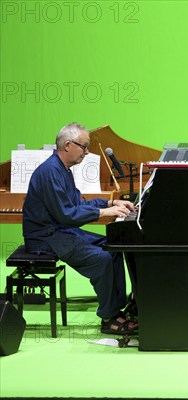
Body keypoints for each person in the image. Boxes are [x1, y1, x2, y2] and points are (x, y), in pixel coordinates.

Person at [22, 123, 138, 335]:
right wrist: (104, 213)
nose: (87, 152)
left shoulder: (63, 169)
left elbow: (77, 203)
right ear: (67, 145)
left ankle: (118, 308)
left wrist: (109, 204)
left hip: (59, 231)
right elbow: (66, 215)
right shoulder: (50, 172)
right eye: (84, 147)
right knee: (101, 259)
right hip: (45, 237)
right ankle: (109, 318)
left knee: (112, 247)